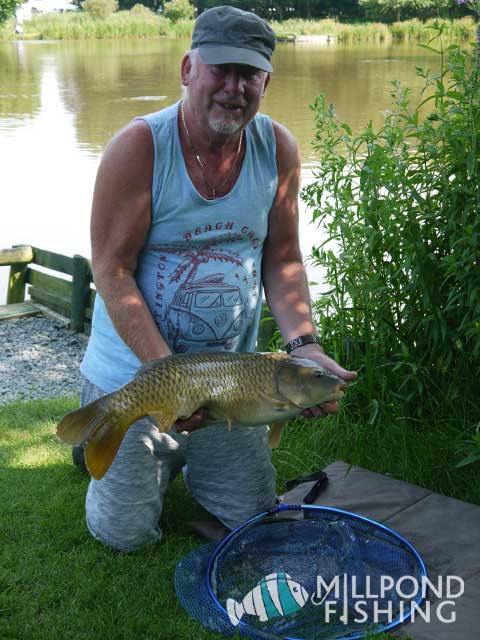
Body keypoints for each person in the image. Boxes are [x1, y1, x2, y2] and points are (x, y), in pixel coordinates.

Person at [76, 5, 357, 551]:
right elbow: (111, 270)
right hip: (136, 372)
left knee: (250, 516)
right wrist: (168, 378)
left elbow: (283, 260)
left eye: (249, 74)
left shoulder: (277, 149)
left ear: (266, 81)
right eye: (221, 69)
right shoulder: (138, 148)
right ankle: (103, 436)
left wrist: (305, 346)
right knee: (125, 536)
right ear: (187, 69)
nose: (234, 87)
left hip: (235, 381)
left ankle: (182, 458)